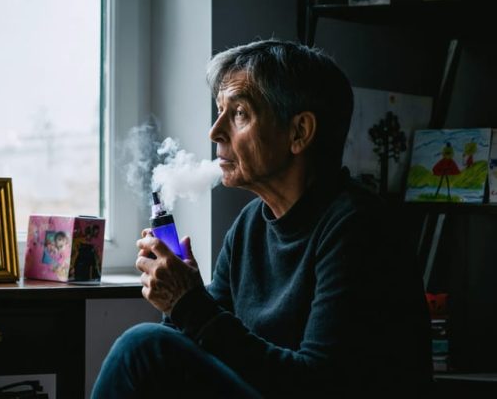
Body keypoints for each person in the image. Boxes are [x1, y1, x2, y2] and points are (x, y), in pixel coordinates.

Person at [92, 39, 432, 398]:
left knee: (144, 347)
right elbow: (202, 344)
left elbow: (318, 384)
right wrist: (178, 302)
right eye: (220, 110)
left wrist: (189, 304)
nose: (215, 131)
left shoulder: (359, 228)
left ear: (299, 132)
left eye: (239, 113)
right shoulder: (251, 224)